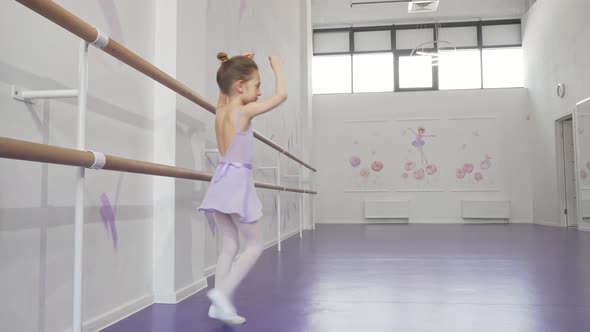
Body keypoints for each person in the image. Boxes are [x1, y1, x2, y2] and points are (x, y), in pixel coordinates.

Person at [197, 51, 287, 325]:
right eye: (257, 85)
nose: (260, 91)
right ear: (240, 85)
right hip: (237, 182)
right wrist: (277, 68)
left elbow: (223, 89)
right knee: (255, 244)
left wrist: (231, 61)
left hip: (221, 180)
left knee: (229, 245)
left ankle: (219, 306)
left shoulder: (221, 110)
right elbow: (281, 96)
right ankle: (221, 294)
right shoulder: (244, 111)